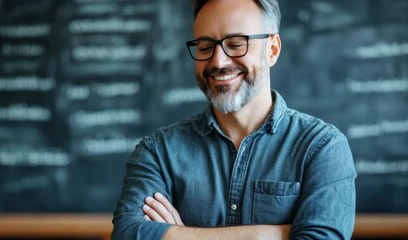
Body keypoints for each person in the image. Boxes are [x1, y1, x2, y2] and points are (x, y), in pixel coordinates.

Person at [112, 0, 357, 239]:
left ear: (272, 50)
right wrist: (271, 234)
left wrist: (178, 234)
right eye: (206, 47)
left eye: (237, 44)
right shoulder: (158, 152)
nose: (218, 62)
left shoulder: (322, 147)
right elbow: (128, 233)